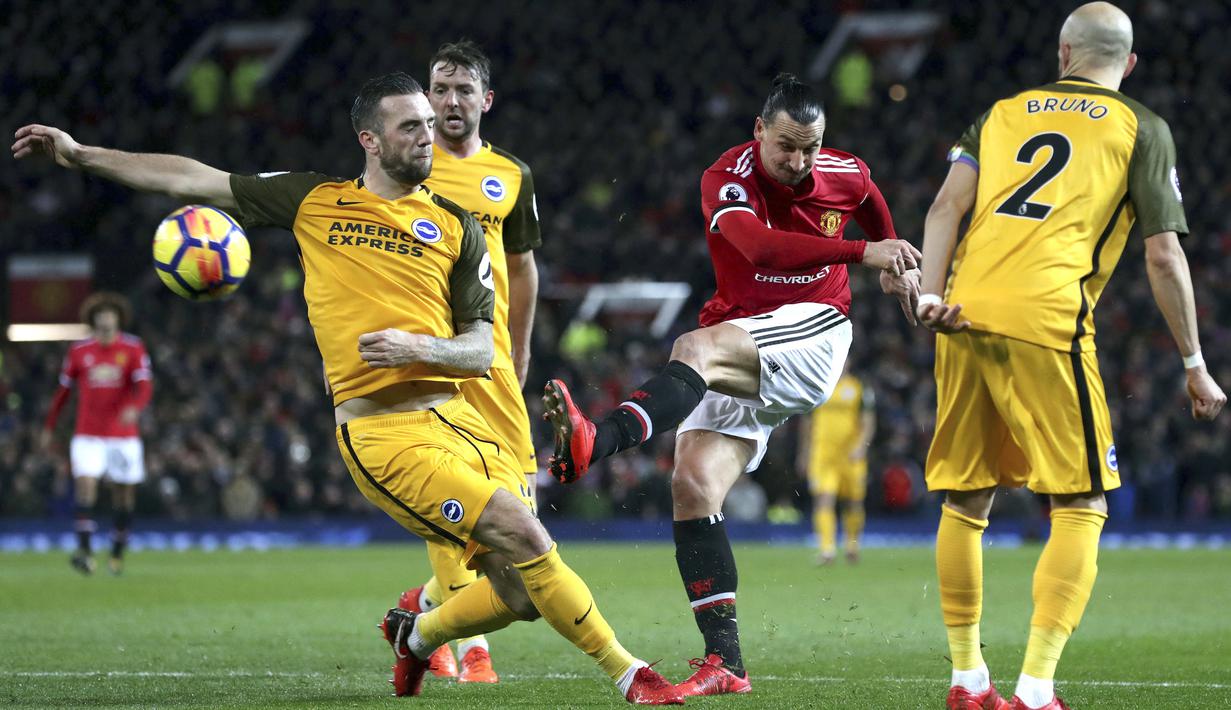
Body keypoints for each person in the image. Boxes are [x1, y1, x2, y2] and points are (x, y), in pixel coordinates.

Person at [11, 72, 681, 706]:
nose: (428, 135)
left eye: (429, 122)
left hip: (461, 422)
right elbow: (194, 178)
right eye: (411, 125)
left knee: (521, 594)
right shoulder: (315, 202)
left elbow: (483, 348)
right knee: (526, 535)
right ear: (370, 139)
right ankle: (631, 675)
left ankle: (414, 636)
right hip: (383, 435)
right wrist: (79, 155)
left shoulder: (457, 226)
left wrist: (420, 347)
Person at [543, 73, 921, 697]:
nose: (799, 162)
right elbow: (761, 249)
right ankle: (727, 663)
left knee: (692, 347)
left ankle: (597, 440)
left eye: (811, 147)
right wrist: (867, 253)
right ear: (758, 132)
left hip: (816, 331)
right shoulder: (727, 177)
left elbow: (874, 207)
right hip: (747, 337)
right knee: (692, 486)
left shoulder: (845, 171)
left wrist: (893, 264)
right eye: (786, 148)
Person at [915, 4, 1226, 709]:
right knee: (1080, 501)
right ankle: (1033, 691)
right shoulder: (1141, 127)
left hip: (961, 311)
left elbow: (942, 209)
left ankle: (966, 681)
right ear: (1130, 63)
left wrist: (928, 299)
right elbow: (1161, 253)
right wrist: (1193, 361)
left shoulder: (999, 113)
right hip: (1046, 320)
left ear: (1062, 54)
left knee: (965, 498)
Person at [394, 40, 542, 685]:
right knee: (456, 496)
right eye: (439, 90)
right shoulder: (407, 169)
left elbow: (522, 269)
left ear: (485, 100)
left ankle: (420, 608)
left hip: (493, 363)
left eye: (462, 91)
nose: (450, 102)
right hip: (432, 363)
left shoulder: (511, 175)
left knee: (519, 523)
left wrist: (521, 346)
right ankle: (473, 650)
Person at [41, 292, 152, 576]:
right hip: (88, 434)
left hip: (123, 436)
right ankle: (85, 552)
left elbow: (145, 387)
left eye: (110, 314)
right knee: (85, 486)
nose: (105, 319)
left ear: (117, 319)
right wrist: (49, 426)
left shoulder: (133, 348)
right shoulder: (79, 351)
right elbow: (62, 393)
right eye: (100, 315)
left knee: (124, 496)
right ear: (93, 320)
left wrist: (135, 408)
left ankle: (116, 553)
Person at [796, 360, 874, 565]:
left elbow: (868, 420)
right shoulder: (819, 385)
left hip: (850, 455)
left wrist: (861, 446)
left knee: (854, 501)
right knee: (824, 498)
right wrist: (804, 453)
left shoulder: (858, 387)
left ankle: (852, 545)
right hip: (823, 454)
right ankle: (827, 549)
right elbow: (807, 422)